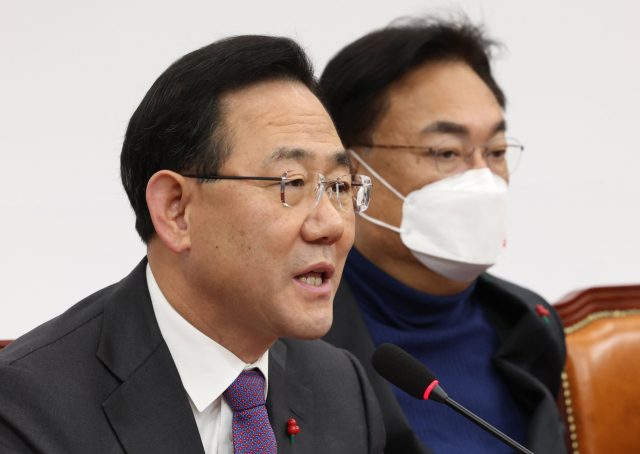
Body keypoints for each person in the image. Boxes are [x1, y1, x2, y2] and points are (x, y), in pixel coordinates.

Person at [0, 35, 384, 454]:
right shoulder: (27, 407)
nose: (331, 224)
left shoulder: (341, 387)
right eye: (291, 183)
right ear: (176, 211)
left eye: (341, 187)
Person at [320, 18, 567, 454]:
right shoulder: (294, 336)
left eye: (496, 152)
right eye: (448, 152)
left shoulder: (529, 321)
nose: (483, 179)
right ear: (352, 174)